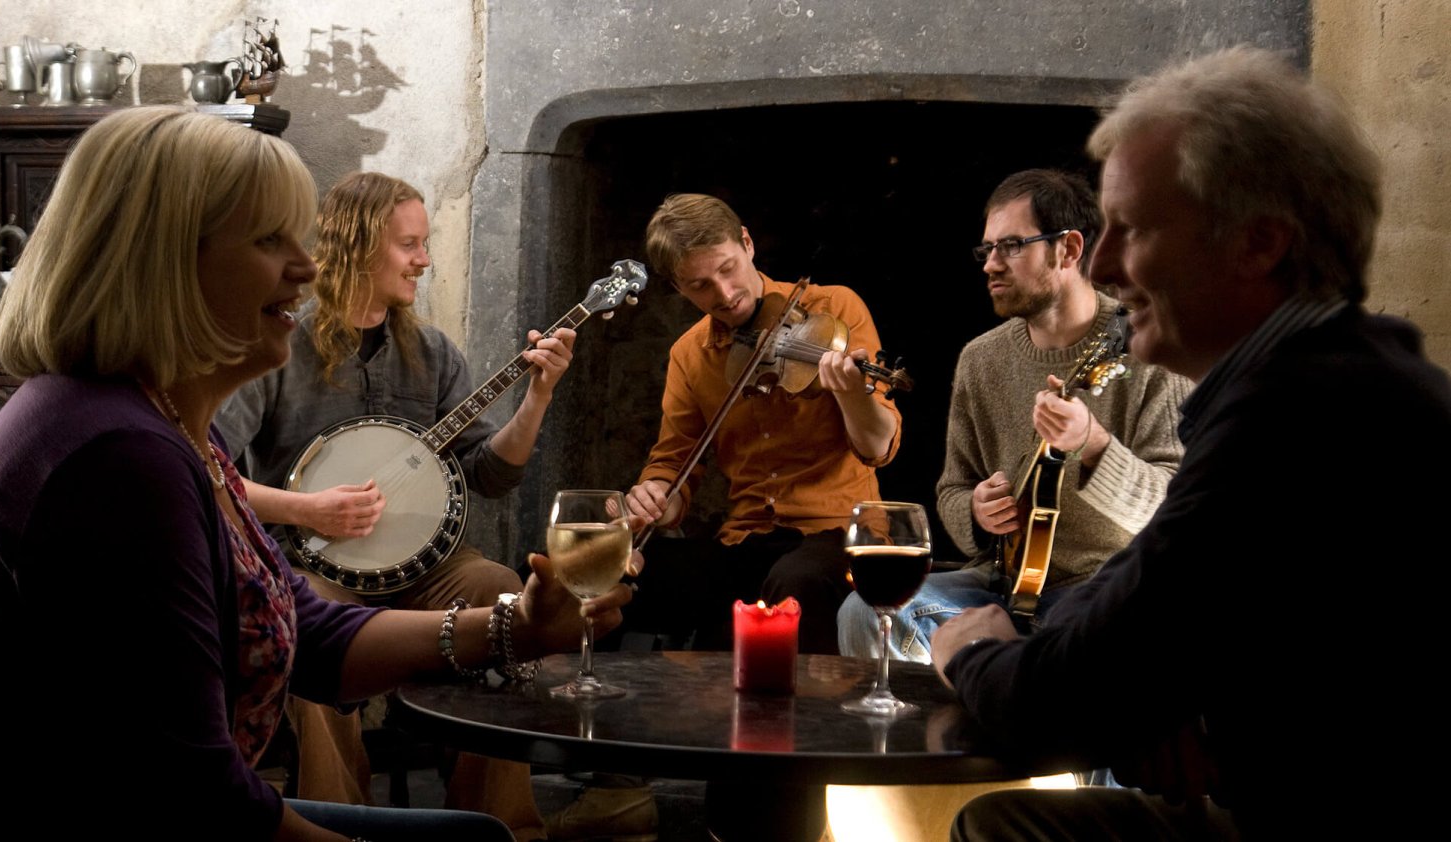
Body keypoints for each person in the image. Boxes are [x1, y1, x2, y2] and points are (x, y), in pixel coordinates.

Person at [0, 105, 634, 842]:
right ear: (164, 262)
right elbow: (192, 798)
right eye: (269, 240)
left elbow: (303, 632)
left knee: (478, 834)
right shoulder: (117, 459)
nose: (307, 268)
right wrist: (311, 512)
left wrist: (514, 627)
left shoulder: (161, 421)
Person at [931, 47, 1449, 840]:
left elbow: (1055, 699)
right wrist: (1178, 695)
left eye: (1130, 230)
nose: (1100, 263)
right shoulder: (1335, 374)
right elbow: (1160, 600)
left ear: (1257, 244)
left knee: (1006, 826)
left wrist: (971, 650)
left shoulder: (1295, 417)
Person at [215, 171, 575, 836]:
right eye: (409, 244)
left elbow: (488, 475)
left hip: (425, 571)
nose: (423, 259)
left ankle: (499, 824)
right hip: (313, 563)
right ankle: (343, 821)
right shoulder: (279, 349)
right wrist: (306, 510)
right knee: (303, 620)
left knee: (498, 589)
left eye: (425, 243)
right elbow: (211, 472)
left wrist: (537, 398)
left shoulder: (432, 351)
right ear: (356, 245)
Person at [838, 169, 1189, 662]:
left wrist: (1093, 444)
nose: (990, 265)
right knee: (865, 612)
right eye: (987, 250)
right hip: (1001, 584)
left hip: (1107, 587)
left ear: (1067, 249)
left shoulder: (1151, 346)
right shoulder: (980, 359)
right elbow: (953, 488)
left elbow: (1176, 506)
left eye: (1011, 246)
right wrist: (979, 514)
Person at [620, 192, 903, 656]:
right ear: (678, 288)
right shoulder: (690, 354)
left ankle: (790, 718)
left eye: (727, 268)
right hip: (746, 536)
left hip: (841, 532)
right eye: (700, 286)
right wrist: (655, 495)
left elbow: (878, 446)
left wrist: (854, 395)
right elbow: (675, 465)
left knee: (795, 583)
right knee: (617, 571)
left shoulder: (835, 309)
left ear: (747, 243)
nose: (725, 295)